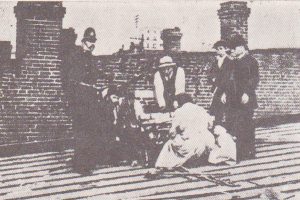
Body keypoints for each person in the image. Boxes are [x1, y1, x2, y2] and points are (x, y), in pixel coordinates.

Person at [146, 93, 216, 176]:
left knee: (169, 143)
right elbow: (210, 125)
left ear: (179, 102)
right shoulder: (201, 109)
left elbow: (172, 133)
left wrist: (175, 131)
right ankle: (191, 162)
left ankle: (160, 166)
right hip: (205, 145)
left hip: (190, 146)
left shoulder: (179, 111)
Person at [67, 27, 104, 175]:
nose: (92, 44)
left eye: (93, 41)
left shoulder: (90, 58)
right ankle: (81, 166)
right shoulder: (76, 57)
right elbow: (72, 80)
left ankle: (85, 162)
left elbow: (93, 77)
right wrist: (89, 87)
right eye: (89, 41)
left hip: (89, 101)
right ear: (83, 41)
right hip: (79, 102)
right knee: (82, 133)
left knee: (90, 132)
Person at [220, 35, 259, 162]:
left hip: (246, 99)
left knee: (246, 124)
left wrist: (247, 93)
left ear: (242, 47)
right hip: (233, 99)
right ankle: (238, 151)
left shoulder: (251, 61)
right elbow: (227, 79)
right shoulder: (232, 62)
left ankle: (249, 151)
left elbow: (254, 79)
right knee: (233, 123)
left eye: (235, 48)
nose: (232, 51)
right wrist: (224, 93)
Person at [209, 40, 233, 126]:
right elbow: (210, 74)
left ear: (226, 49)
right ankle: (217, 128)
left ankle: (229, 131)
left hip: (227, 90)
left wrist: (225, 93)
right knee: (216, 111)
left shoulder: (230, 61)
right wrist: (213, 78)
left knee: (228, 111)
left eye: (221, 48)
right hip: (217, 89)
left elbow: (230, 78)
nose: (219, 50)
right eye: (217, 49)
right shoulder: (216, 61)